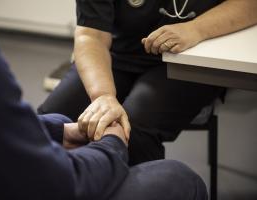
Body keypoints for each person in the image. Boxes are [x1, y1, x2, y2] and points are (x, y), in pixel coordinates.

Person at [0, 18, 208, 200]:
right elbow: (58, 185)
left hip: (180, 56)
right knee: (178, 177)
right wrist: (111, 143)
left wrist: (59, 129)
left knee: (137, 122)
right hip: (117, 56)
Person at [38, 0, 257, 165]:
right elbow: (90, 36)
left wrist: (195, 28)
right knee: (50, 121)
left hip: (188, 57)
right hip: (116, 54)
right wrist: (103, 96)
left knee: (134, 130)